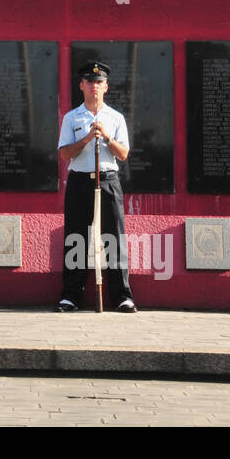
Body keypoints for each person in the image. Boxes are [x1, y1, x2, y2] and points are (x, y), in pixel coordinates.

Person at [56, 61, 135, 314]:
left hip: (108, 180)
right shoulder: (72, 118)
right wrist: (88, 138)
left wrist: (107, 137)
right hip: (80, 181)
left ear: (106, 87)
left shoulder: (115, 118)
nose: (94, 87)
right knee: (76, 238)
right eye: (90, 82)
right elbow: (65, 153)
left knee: (114, 238)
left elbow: (123, 154)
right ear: (82, 85)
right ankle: (71, 296)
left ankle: (122, 296)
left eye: (99, 82)